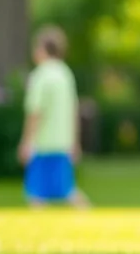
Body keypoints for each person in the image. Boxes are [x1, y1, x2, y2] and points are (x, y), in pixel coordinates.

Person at [19, 26, 89, 208]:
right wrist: (75, 141)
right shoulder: (66, 74)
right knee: (68, 190)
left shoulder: (40, 75)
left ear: (43, 49)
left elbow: (35, 112)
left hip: (41, 144)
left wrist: (27, 141)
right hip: (63, 143)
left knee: (35, 193)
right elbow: (73, 110)